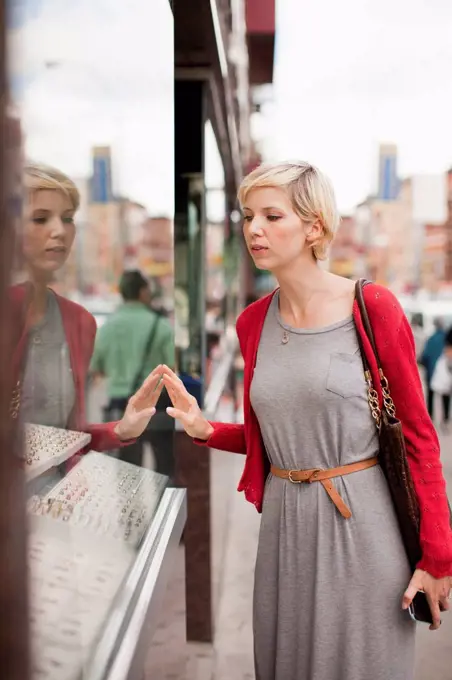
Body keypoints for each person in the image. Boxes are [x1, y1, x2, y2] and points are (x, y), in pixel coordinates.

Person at [159, 161, 452, 680]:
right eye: (249, 216)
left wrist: (437, 559)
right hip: (283, 530)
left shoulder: (372, 307)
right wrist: (206, 430)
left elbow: (419, 440)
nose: (254, 229)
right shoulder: (252, 322)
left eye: (273, 216)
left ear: (314, 226)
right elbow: (276, 438)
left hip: (361, 526)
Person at [9, 163, 163, 485]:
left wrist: (120, 430)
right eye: (40, 218)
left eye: (67, 218)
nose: (60, 230)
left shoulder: (78, 322)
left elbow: (68, 440)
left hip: (55, 512)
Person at [90, 270, 174, 477]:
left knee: (127, 472)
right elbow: (173, 368)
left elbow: (96, 367)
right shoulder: (161, 326)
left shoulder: (107, 328)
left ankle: (132, 510)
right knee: (164, 467)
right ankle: (164, 506)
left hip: (121, 406)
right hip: (157, 404)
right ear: (143, 292)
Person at [421, 318, 448, 424]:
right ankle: (445, 417)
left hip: (431, 372)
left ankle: (431, 416)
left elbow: (425, 356)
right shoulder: (447, 339)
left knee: (430, 394)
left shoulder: (431, 339)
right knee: (446, 394)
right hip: (445, 373)